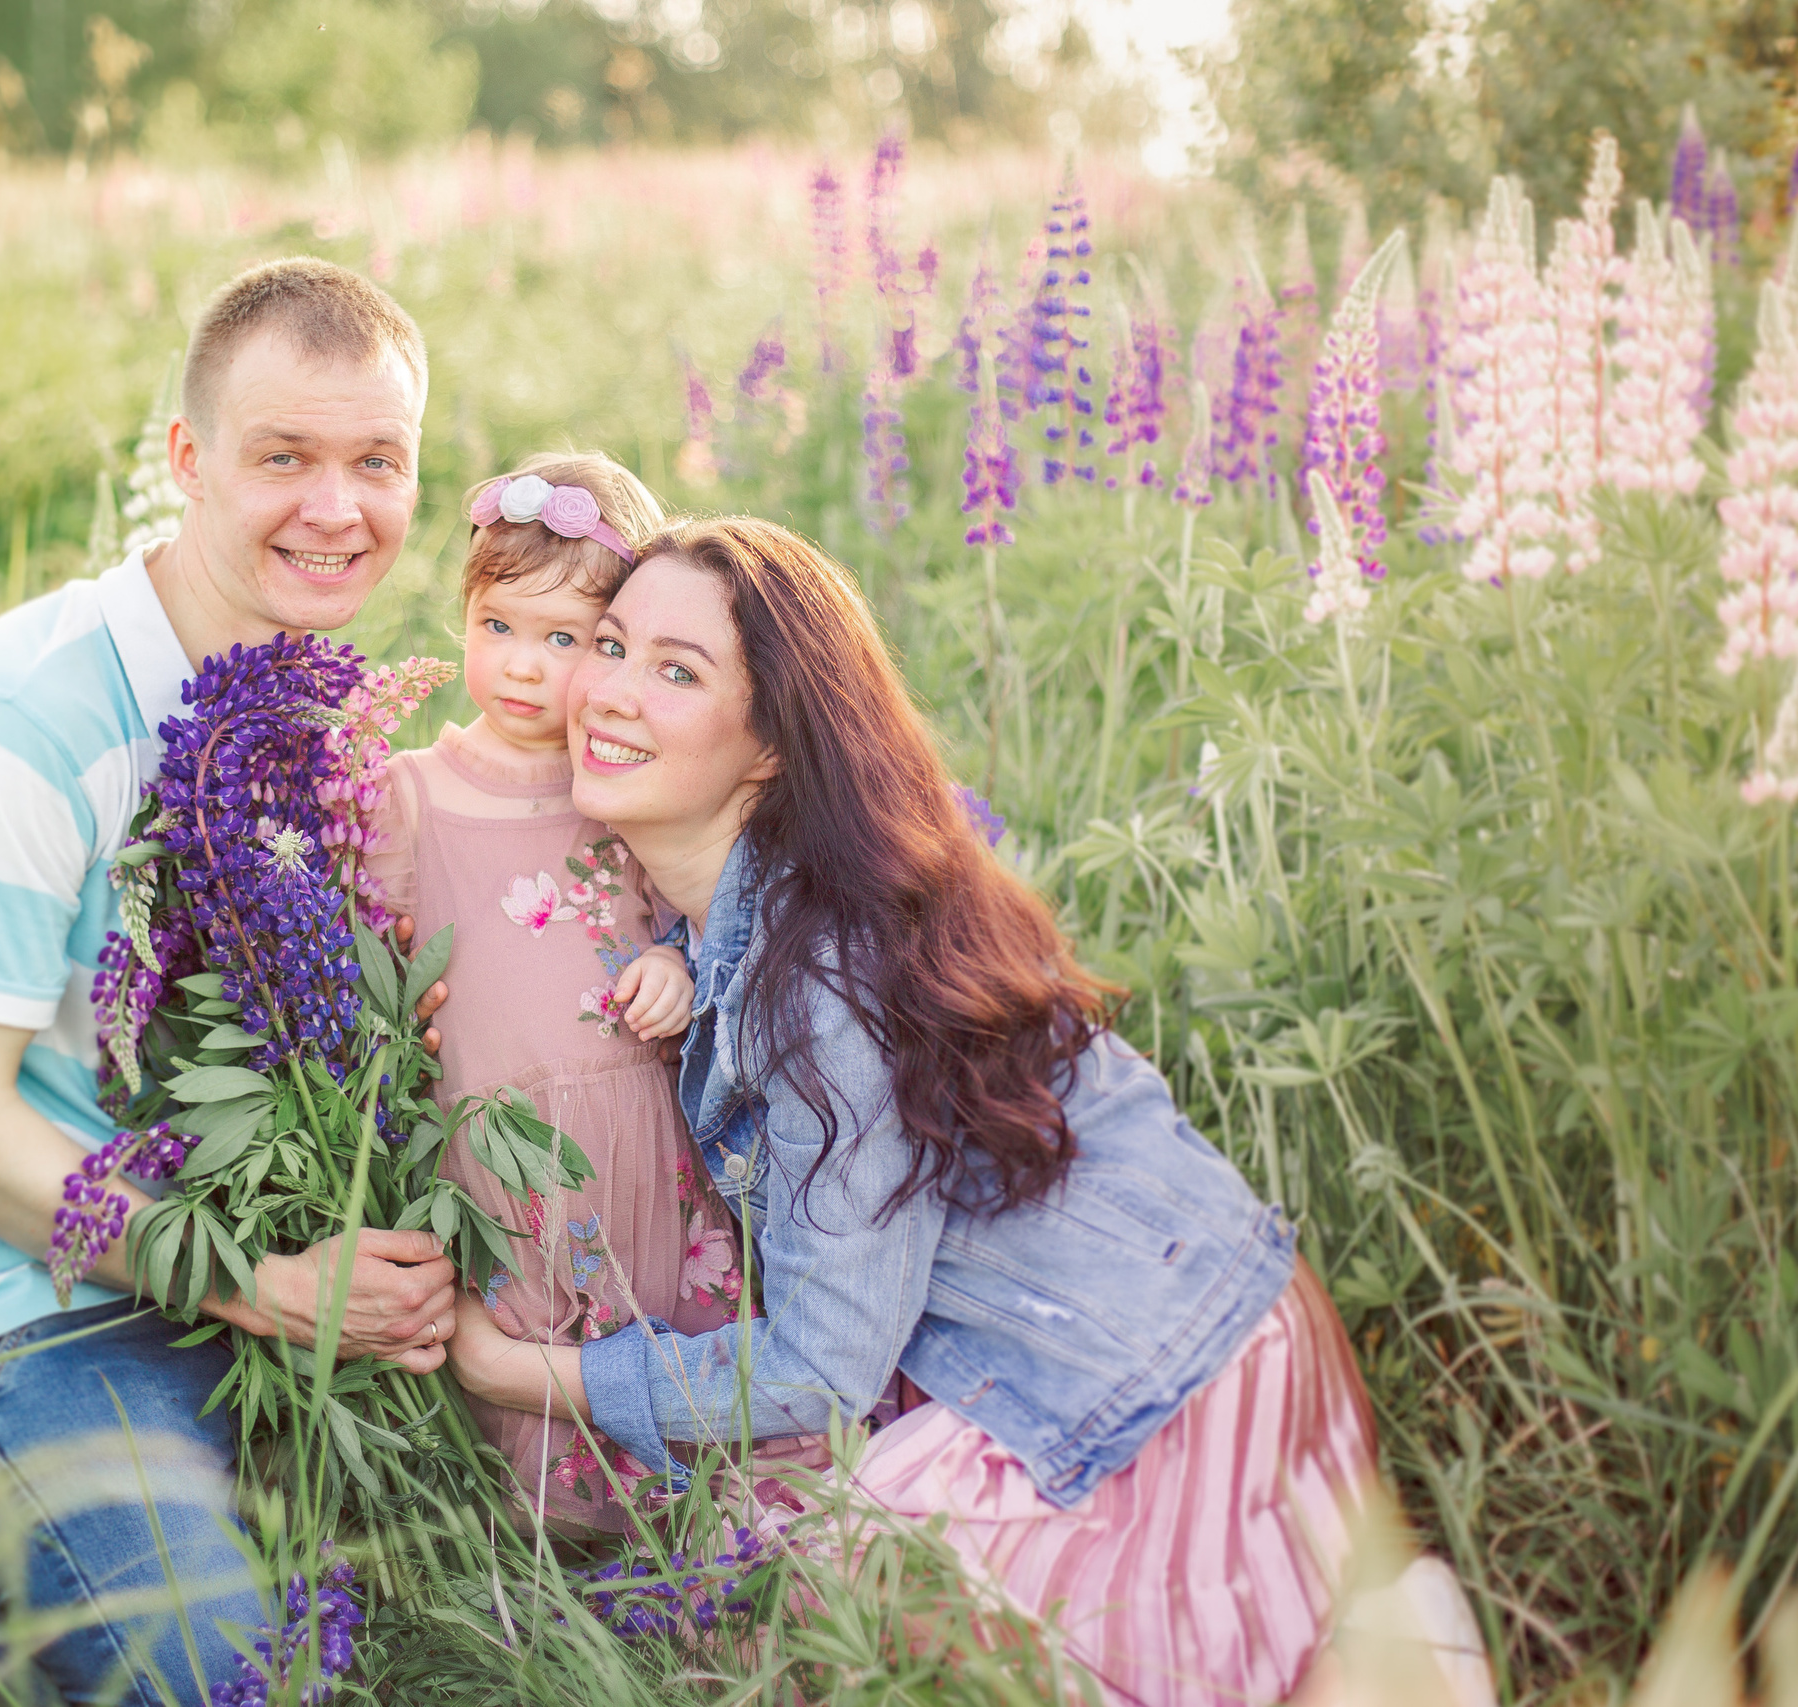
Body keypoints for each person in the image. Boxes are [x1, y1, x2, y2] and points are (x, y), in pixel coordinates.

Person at [444, 516, 1485, 1706]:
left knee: (814, 1607)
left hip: (1158, 1380)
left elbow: (822, 1371)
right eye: (611, 645)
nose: (608, 693)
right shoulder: (754, 902)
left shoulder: (819, 981)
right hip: (1189, 1313)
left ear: (771, 746)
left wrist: (526, 1371)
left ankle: (1377, 1659)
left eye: (676, 672)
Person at [0, 257, 457, 1706]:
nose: (335, 508)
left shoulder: (301, 703)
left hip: (195, 1258)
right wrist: (273, 1289)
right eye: (282, 456)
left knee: (505, 1591)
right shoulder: (16, 727)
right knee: (215, 1673)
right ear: (185, 460)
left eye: (378, 461)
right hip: (2, 1311)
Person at [366, 451, 744, 1532]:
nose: (524, 668)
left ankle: (697, 1536)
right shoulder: (410, 795)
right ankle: (549, 1560)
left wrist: (673, 964)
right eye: (498, 627)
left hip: (644, 1138)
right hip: (502, 1158)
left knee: (665, 1318)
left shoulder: (623, 782)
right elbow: (368, 971)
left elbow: (688, 915)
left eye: (566, 641)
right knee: (528, 1355)